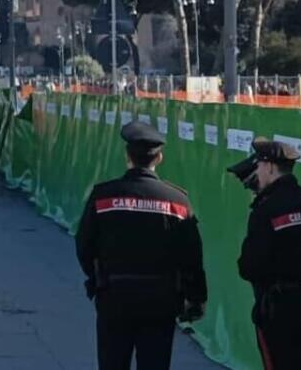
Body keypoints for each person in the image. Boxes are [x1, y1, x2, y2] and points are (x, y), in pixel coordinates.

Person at [75, 122, 206, 370]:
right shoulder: (177, 201)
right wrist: (196, 298)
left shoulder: (103, 195)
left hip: (114, 295)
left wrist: (97, 278)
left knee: (112, 363)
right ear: (159, 158)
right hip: (160, 300)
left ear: (127, 156)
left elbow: (84, 244)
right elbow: (191, 256)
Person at [235, 139, 301, 370]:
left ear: (270, 167)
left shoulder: (266, 211)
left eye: (258, 166)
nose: (256, 172)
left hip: (280, 310)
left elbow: (250, 267)